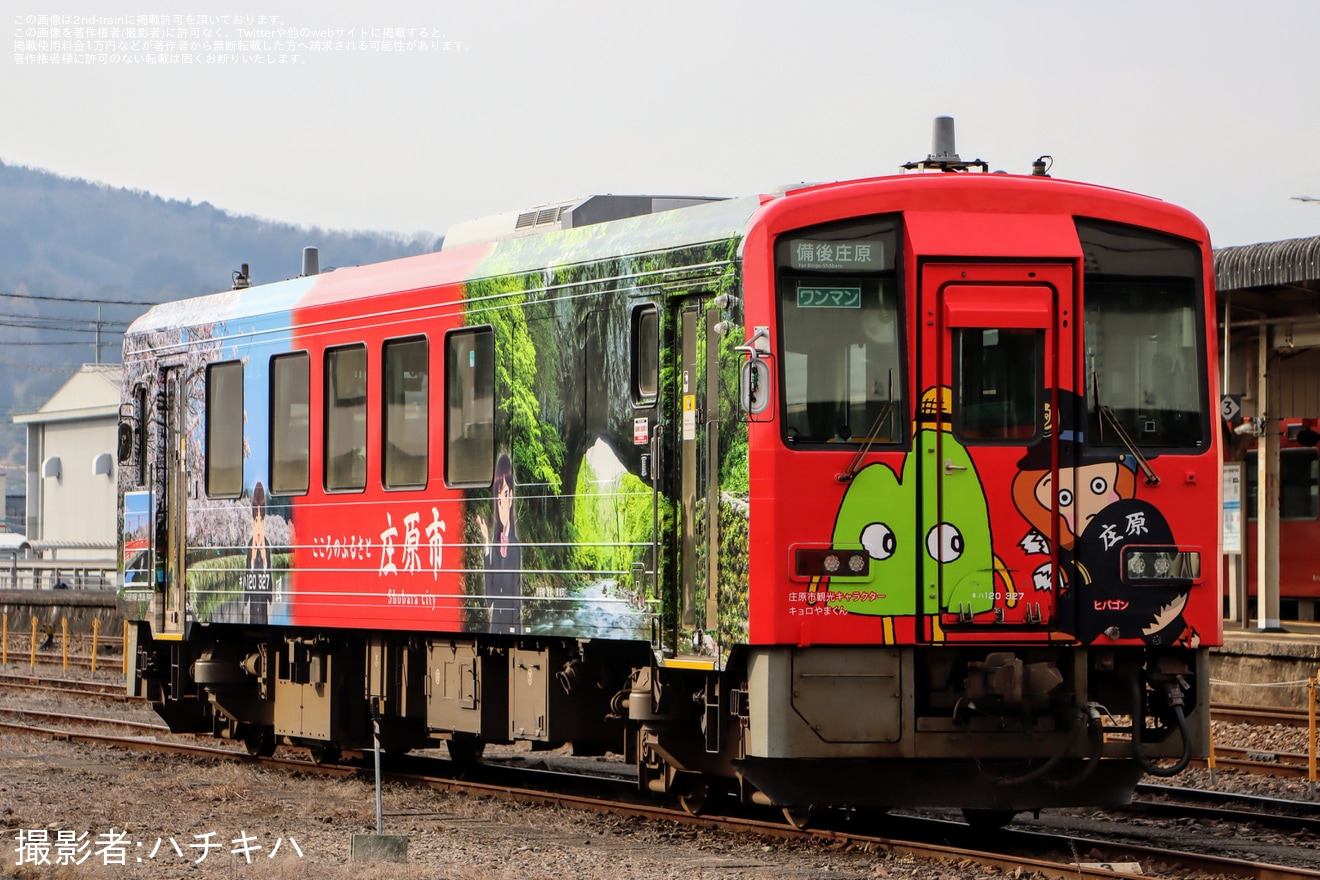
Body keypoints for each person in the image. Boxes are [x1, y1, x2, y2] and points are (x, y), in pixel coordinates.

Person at [478, 454, 521, 632]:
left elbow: (517, 597)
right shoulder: (495, 545)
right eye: (498, 495)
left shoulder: (516, 546)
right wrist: (487, 544)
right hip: (495, 628)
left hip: (510, 628)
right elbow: (490, 596)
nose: (502, 502)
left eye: (505, 494)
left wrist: (517, 631)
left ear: (511, 496)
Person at [246, 482, 271, 625]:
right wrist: (252, 561)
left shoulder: (266, 544)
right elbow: (246, 572)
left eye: (261, 519)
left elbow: (270, 574)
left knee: (263, 617)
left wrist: (264, 559)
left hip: (262, 597)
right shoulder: (250, 544)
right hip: (253, 594)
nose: (259, 524)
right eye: (256, 519)